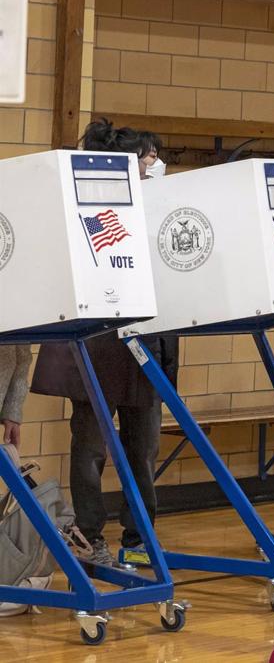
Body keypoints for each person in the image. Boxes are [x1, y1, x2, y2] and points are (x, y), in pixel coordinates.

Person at [30, 119, 179, 566]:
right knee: (91, 448)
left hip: (144, 345)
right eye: (147, 157)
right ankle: (90, 537)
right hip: (97, 342)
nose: (155, 164)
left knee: (144, 448)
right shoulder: (87, 202)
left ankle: (138, 539)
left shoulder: (160, 208)